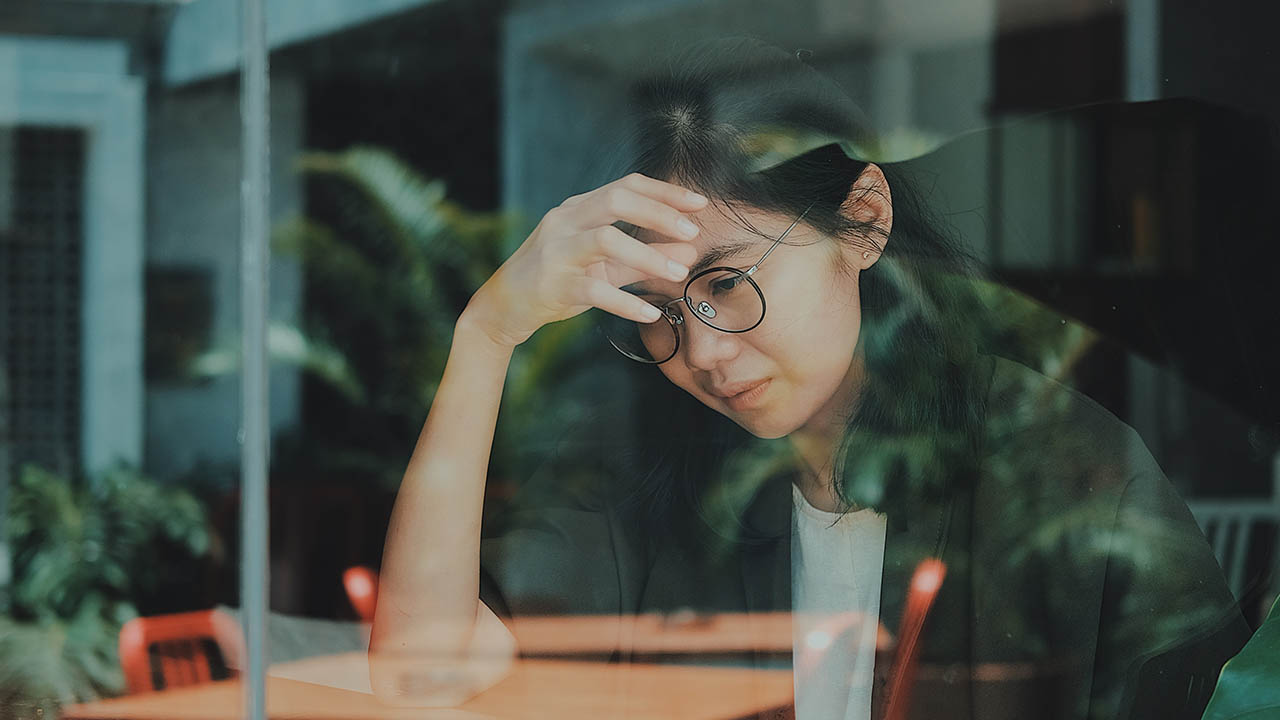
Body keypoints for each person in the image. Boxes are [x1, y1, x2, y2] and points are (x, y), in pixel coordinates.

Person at [369, 38, 1250, 720]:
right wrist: (485, 334)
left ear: (862, 221)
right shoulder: (654, 487)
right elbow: (422, 676)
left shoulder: (1068, 470)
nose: (703, 352)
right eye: (661, 314)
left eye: (726, 284)